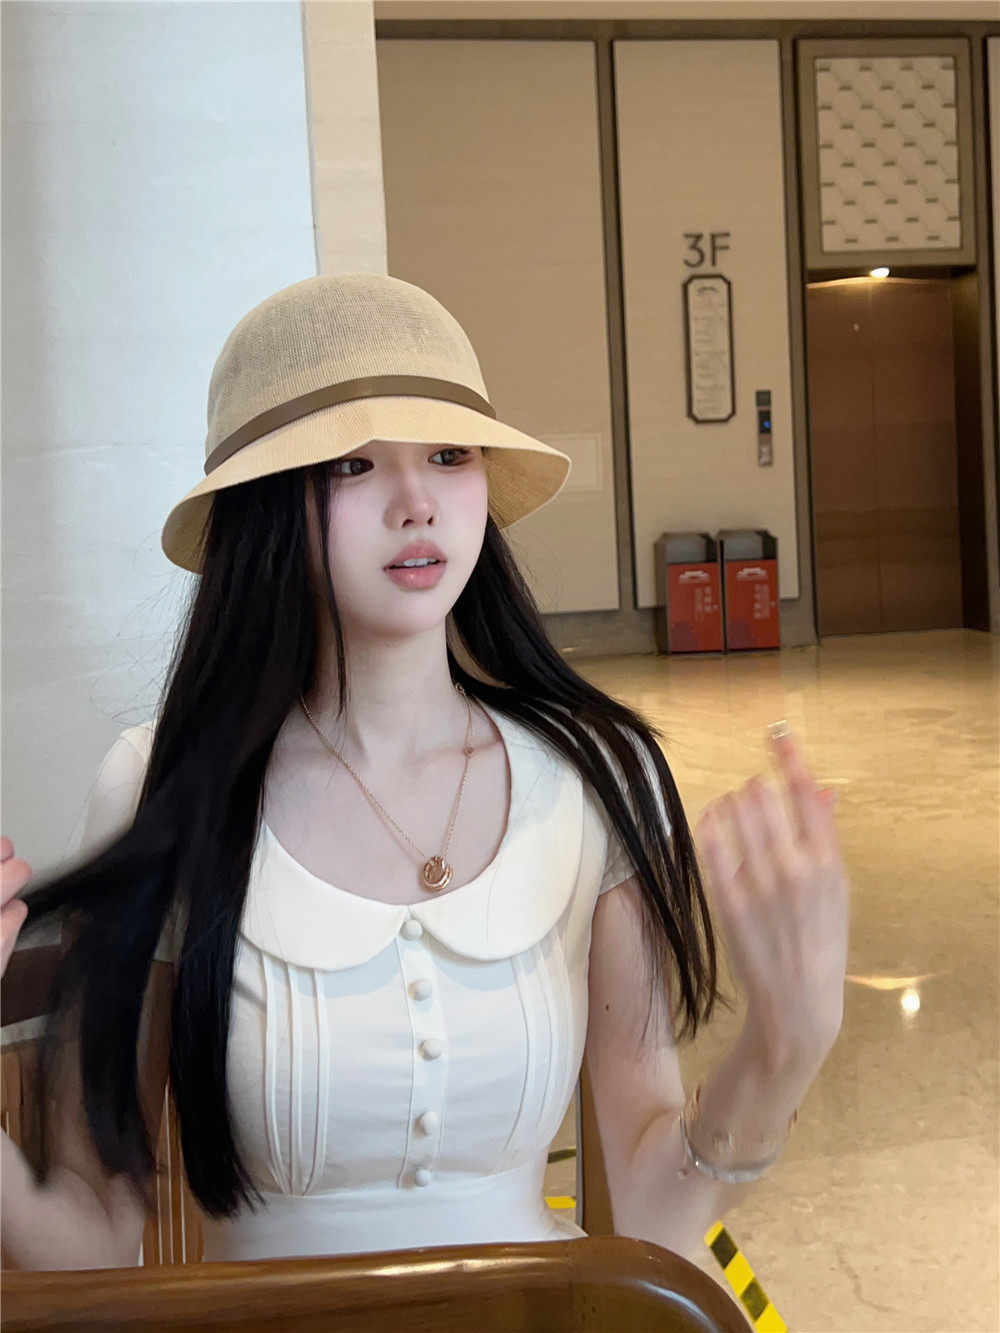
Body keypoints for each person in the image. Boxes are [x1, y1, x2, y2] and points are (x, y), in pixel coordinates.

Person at [1, 272, 849, 1271]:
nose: (417, 504)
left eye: (449, 455)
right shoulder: (158, 784)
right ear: (263, 509)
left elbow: (652, 1222)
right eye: (353, 464)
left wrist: (784, 1047)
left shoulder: (598, 776)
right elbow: (89, 1249)